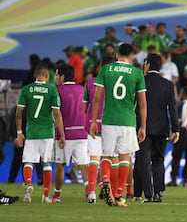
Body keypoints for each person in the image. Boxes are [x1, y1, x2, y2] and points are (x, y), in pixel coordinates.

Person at [90, 43, 147, 207]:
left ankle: (106, 179)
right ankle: (119, 193)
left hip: (109, 120)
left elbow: (97, 98)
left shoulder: (106, 70)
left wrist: (94, 121)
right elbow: (142, 103)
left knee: (107, 155)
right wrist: (142, 126)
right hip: (128, 121)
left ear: (116, 54)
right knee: (125, 157)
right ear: (132, 56)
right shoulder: (137, 73)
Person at [15, 64, 66, 203]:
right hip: (47, 132)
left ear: (35, 76)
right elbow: (57, 113)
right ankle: (45, 195)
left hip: (31, 132)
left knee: (28, 161)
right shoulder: (52, 90)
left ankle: (29, 186)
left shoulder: (26, 90)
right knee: (47, 163)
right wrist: (62, 135)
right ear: (47, 76)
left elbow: (19, 112)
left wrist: (19, 132)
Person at [134, 54, 179, 203]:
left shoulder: (140, 81)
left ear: (147, 65)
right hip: (162, 128)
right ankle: (158, 192)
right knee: (158, 159)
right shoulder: (168, 84)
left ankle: (149, 194)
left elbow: (134, 105)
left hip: (143, 127)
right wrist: (176, 129)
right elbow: (172, 108)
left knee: (143, 161)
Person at [52, 64, 88, 203]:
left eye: (57, 75)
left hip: (64, 134)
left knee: (60, 165)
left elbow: (56, 114)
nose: (56, 78)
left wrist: (61, 135)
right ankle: (90, 193)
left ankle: (57, 196)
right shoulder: (83, 89)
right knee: (83, 164)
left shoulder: (57, 91)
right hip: (82, 133)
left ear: (62, 76)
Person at [83, 56, 116, 203]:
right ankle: (109, 188)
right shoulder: (115, 83)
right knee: (109, 158)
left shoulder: (90, 83)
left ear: (99, 67)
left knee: (94, 159)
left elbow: (85, 107)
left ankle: (91, 192)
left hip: (93, 124)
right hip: (111, 124)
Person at [167, 85, 187, 187]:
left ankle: (174, 178)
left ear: (184, 93)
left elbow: (178, 120)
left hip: (183, 131)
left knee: (176, 156)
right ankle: (185, 180)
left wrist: (174, 132)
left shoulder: (181, 105)